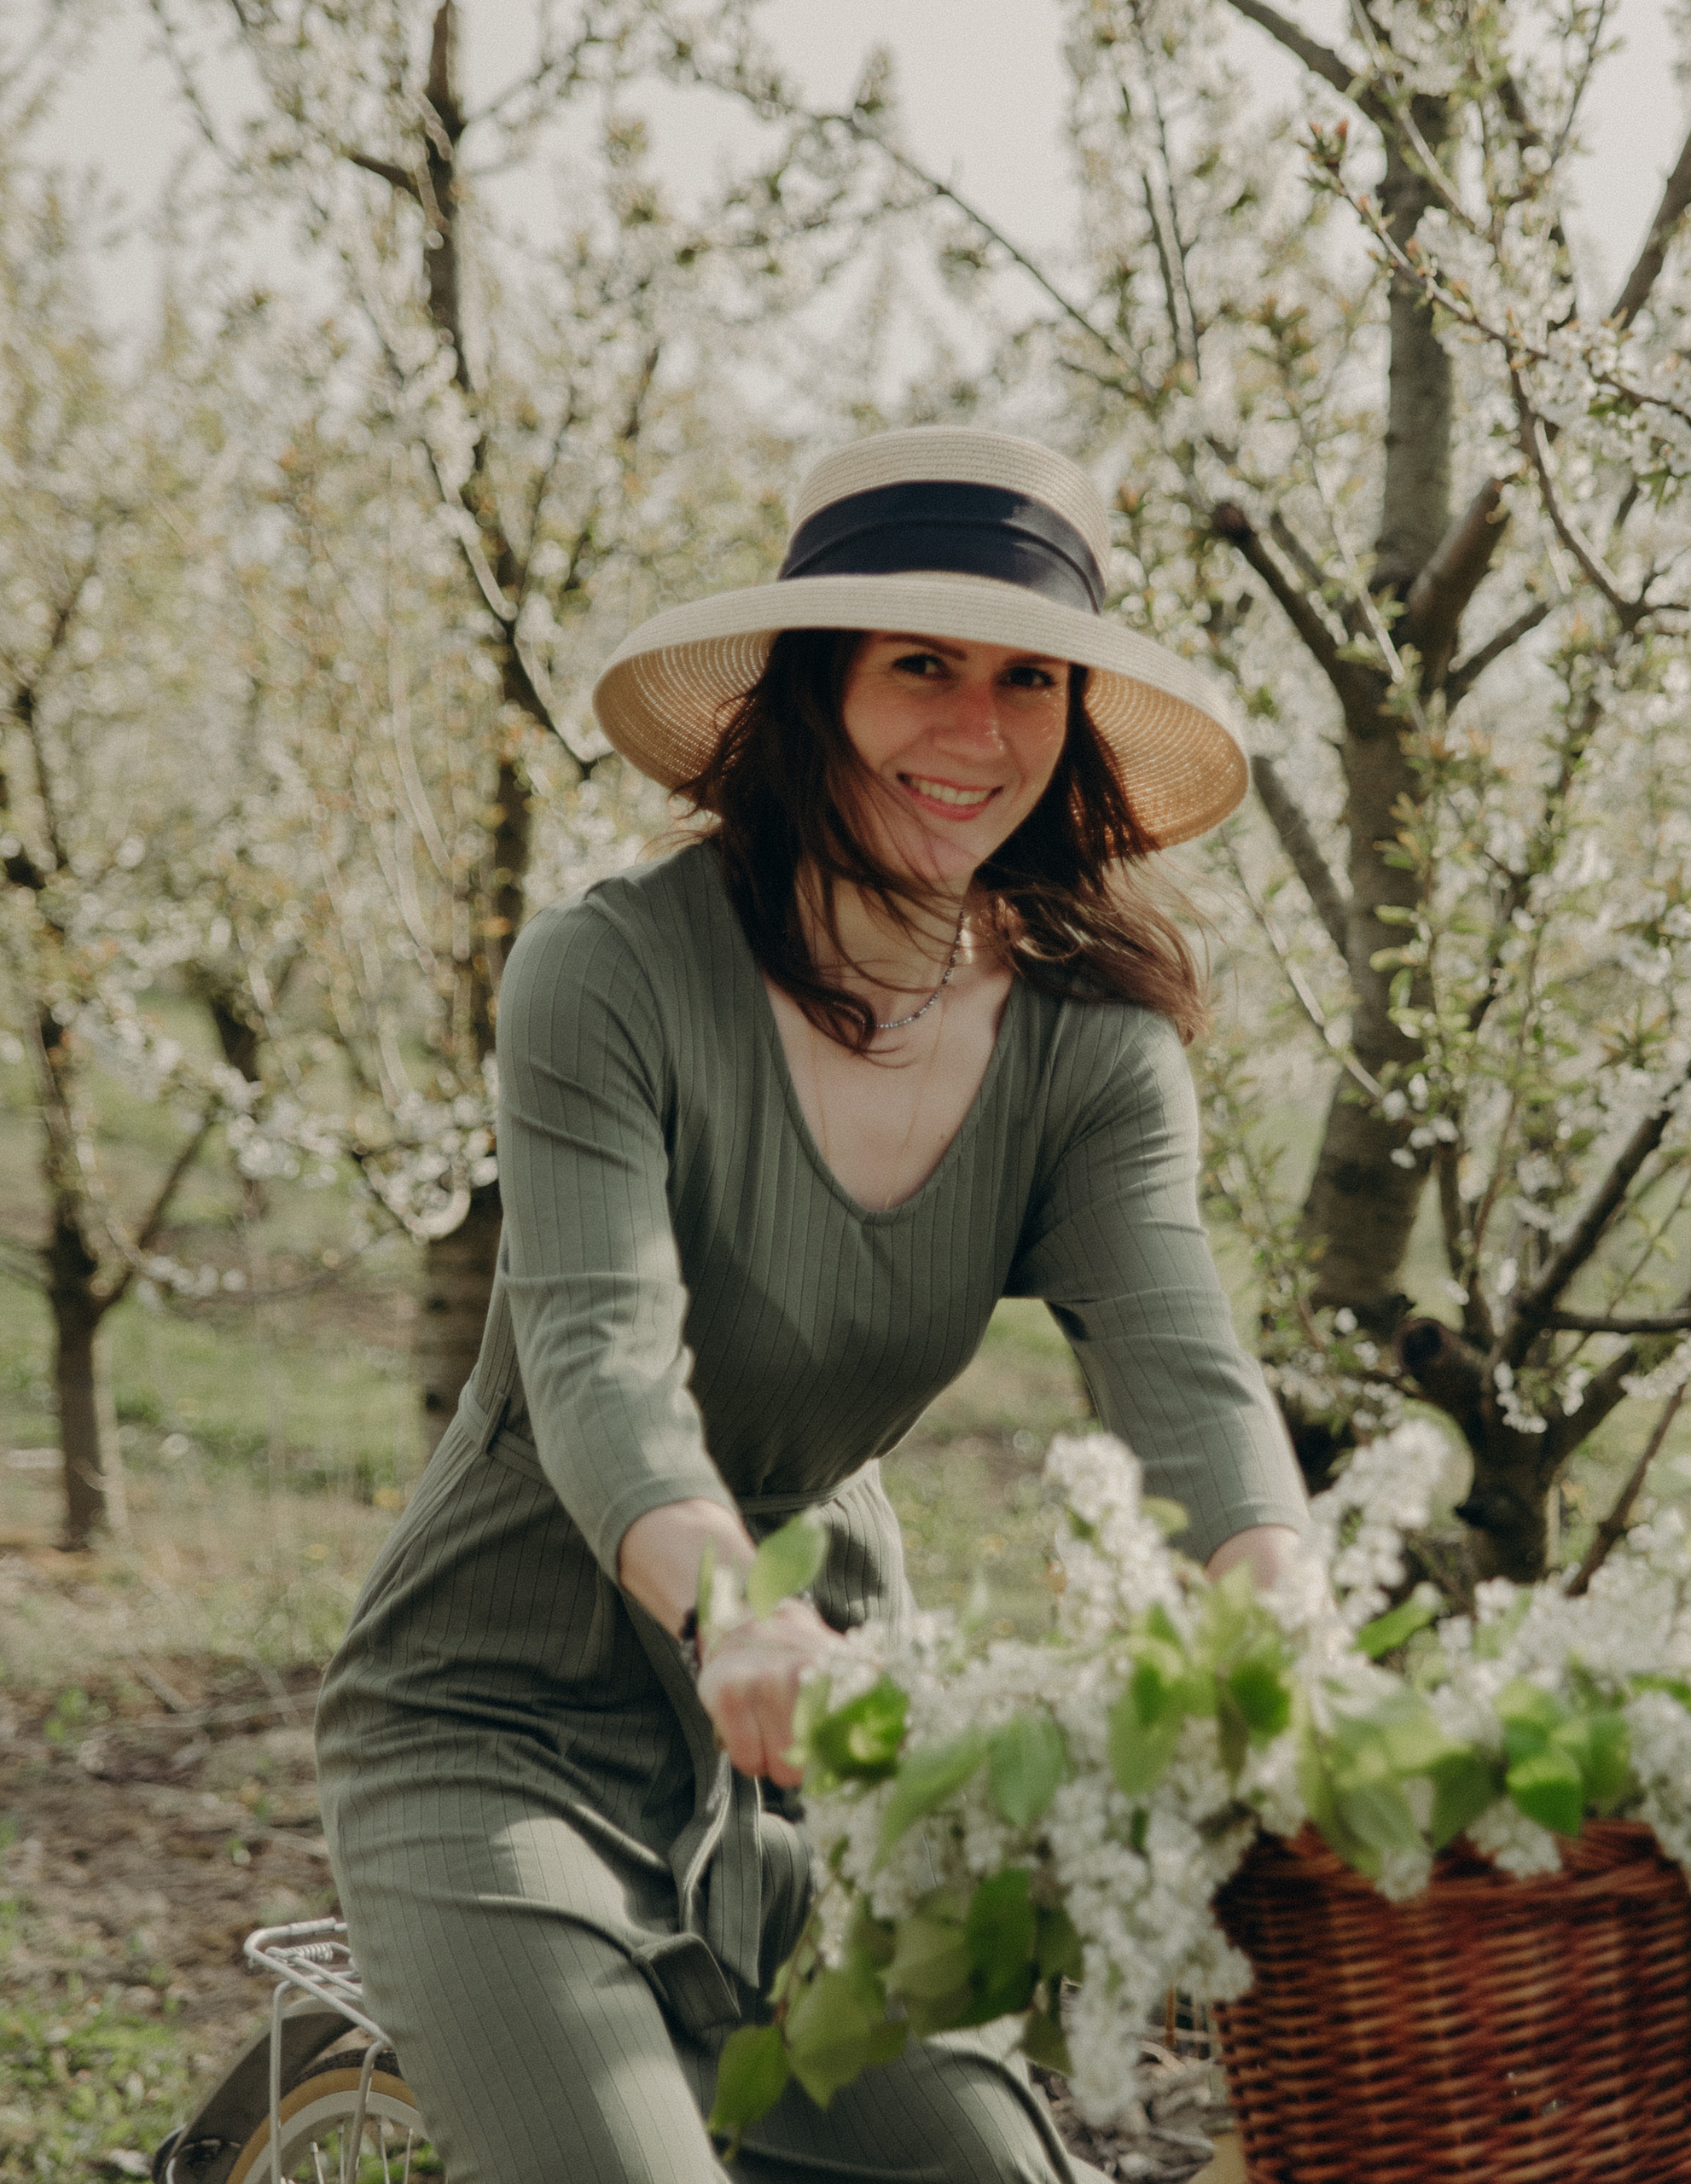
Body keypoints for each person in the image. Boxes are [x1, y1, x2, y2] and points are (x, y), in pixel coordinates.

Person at [315, 427, 1309, 2184]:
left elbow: (1186, 1376)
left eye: (1027, 678)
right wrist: (738, 1616)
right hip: (504, 1718)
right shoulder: (611, 973)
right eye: (920, 664)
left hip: (824, 1741)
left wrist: (1282, 1612)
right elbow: (600, 1361)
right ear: (814, 685)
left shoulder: (1090, 1044)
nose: (975, 729)